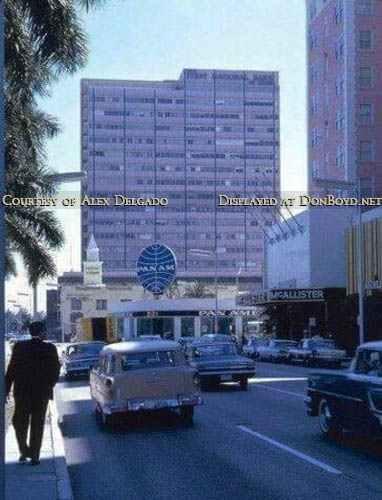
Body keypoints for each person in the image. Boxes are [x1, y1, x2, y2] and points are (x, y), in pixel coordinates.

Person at [5, 321, 61, 466]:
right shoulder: (50, 349)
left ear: (30, 333)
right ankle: (35, 457)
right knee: (38, 424)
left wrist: (6, 390)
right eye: (44, 331)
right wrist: (49, 385)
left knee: (19, 422)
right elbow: (55, 371)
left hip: (22, 392)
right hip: (41, 394)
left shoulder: (19, 347)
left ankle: (24, 450)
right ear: (41, 332)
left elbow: (11, 370)